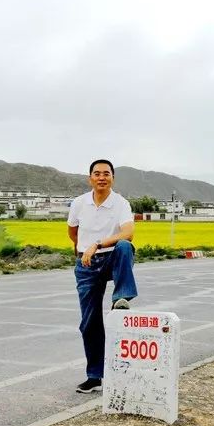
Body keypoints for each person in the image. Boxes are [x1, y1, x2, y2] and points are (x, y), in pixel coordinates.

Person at [67, 159, 138, 393]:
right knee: (89, 323)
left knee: (125, 247)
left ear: (112, 178)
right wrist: (82, 250)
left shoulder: (120, 203)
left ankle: (121, 298)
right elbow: (72, 231)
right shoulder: (79, 203)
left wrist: (96, 244)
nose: (101, 177)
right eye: (96, 173)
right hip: (86, 264)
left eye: (106, 173)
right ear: (90, 178)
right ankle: (95, 376)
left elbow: (128, 232)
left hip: (109, 257)